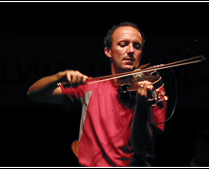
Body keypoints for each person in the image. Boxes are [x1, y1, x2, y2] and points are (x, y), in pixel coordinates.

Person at [27, 22, 167, 167]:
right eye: (123, 44)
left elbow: (141, 147)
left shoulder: (153, 90)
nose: (131, 50)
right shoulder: (90, 85)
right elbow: (34, 93)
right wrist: (59, 78)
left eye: (137, 46)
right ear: (108, 51)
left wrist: (142, 108)